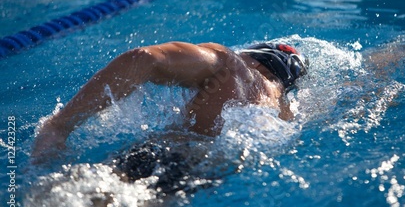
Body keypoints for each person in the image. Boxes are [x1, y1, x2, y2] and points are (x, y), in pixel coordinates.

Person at [31, 41, 309, 162]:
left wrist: (59, 125)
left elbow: (144, 59)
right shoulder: (282, 112)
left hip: (158, 157)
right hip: (205, 176)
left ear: (254, 59)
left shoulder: (232, 66)